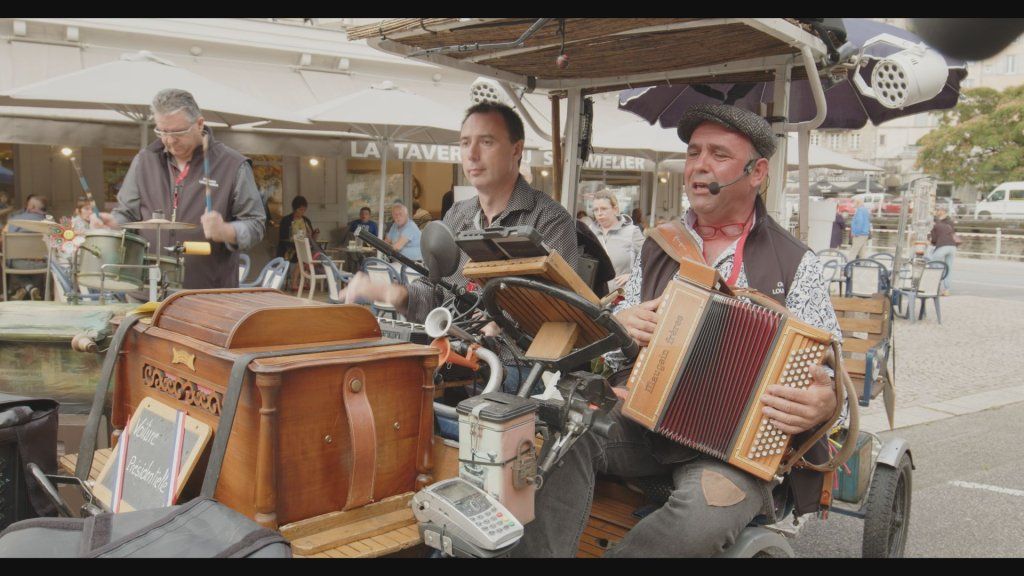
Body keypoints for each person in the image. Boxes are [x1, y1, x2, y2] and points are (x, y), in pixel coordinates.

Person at [515, 104, 842, 558]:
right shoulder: (657, 246)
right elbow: (610, 353)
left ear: (757, 172)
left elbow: (831, 374)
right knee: (562, 431)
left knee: (701, 517)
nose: (699, 166)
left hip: (731, 450)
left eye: (718, 155)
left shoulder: (795, 262)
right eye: (693, 153)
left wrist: (824, 402)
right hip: (644, 423)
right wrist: (620, 328)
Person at [342, 101, 579, 326]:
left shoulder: (549, 219)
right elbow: (433, 292)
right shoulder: (457, 214)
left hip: (517, 363)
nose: (472, 154)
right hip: (456, 353)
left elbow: (560, 308)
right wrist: (389, 292)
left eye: (486, 142)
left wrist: (499, 322)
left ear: (516, 149)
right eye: (465, 143)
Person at [90, 88, 265, 289]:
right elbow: (127, 213)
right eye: (162, 131)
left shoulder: (233, 165)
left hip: (207, 293)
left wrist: (227, 231)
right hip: (147, 291)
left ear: (199, 124)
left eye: (178, 132)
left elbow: (255, 224)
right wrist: (114, 223)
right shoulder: (144, 160)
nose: (170, 140)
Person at [589, 190, 644, 291]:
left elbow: (648, 261)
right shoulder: (589, 232)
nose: (599, 213)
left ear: (615, 209)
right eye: (596, 210)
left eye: (604, 209)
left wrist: (632, 276)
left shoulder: (632, 232)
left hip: (621, 298)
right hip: (592, 297)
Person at [3, 195, 50, 300]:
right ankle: (32, 289)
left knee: (7, 260)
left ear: (31, 207)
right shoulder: (50, 223)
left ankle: (25, 288)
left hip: (17, 264)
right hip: (42, 263)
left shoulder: (12, 221)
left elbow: (2, 240)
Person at [277, 195, 320, 289]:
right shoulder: (286, 220)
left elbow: (312, 238)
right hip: (289, 248)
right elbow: (283, 238)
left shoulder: (306, 220)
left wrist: (315, 233)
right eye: (300, 209)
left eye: (304, 209)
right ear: (294, 209)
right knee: (303, 255)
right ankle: (295, 281)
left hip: (304, 246)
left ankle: (301, 280)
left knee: (311, 254)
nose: (302, 212)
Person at [928, 205, 957, 296]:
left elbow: (934, 239)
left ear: (943, 211)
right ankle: (946, 289)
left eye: (938, 210)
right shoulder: (950, 222)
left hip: (943, 246)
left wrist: (931, 242)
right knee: (949, 268)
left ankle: (934, 286)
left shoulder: (936, 225)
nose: (937, 211)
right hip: (952, 247)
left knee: (934, 263)